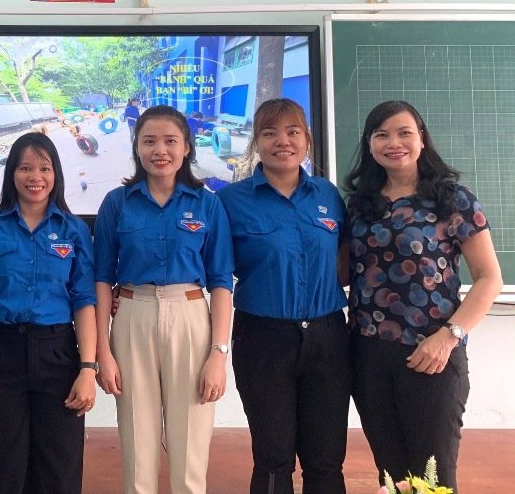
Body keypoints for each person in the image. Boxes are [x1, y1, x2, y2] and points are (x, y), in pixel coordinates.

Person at [344, 100, 503, 491]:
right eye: (382, 135)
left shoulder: (452, 199)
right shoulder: (360, 205)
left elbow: (489, 278)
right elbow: (344, 272)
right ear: (369, 144)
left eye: (404, 133)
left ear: (422, 139)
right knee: (392, 476)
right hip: (368, 356)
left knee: (432, 477)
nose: (393, 143)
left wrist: (449, 337)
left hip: (432, 355)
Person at [94, 105, 234, 494]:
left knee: (190, 445)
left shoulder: (207, 204)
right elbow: (102, 279)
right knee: (137, 444)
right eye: (149, 141)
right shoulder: (117, 203)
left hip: (191, 317)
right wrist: (103, 351)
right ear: (136, 148)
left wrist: (218, 354)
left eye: (170, 141)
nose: (160, 150)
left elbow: (221, 282)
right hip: (132, 315)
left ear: (186, 147)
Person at [215, 98, 350, 494]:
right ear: (257, 142)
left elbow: (346, 261)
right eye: (270, 133)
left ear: (306, 139)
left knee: (326, 458)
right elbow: (216, 270)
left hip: (328, 337)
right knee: (274, 457)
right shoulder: (230, 201)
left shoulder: (328, 195)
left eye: (293, 132)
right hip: (263, 338)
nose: (283, 141)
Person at [0, 132, 96, 494]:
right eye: (25, 168)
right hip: (1, 354)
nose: (35, 176)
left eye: (44, 168)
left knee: (59, 470)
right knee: (3, 469)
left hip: (59, 353)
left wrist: (88, 369)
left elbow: (84, 301)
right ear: (12, 174)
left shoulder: (74, 230)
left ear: (56, 174)